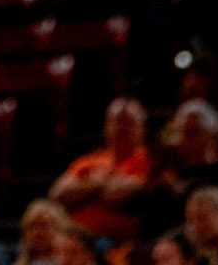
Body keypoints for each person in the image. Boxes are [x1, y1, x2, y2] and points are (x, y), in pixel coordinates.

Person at [51, 99, 153, 243]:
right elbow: (58, 194)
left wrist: (89, 186)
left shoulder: (152, 160)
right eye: (118, 121)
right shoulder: (89, 161)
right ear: (106, 126)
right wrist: (102, 184)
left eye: (128, 122)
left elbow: (117, 196)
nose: (122, 128)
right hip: (74, 239)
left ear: (142, 128)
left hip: (118, 243)